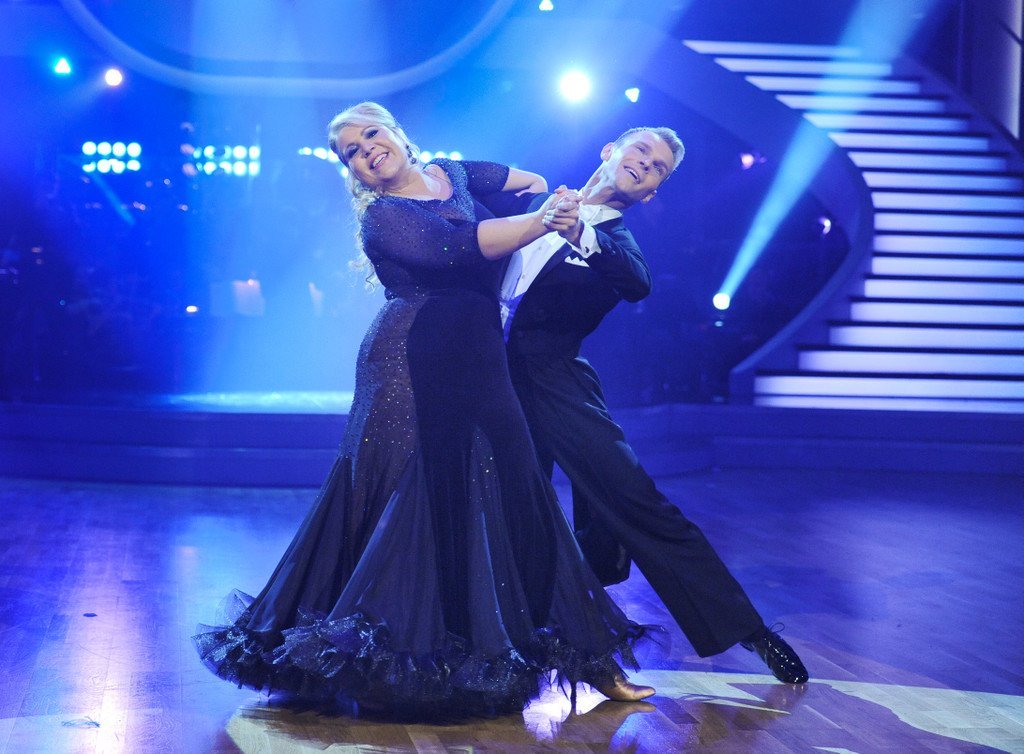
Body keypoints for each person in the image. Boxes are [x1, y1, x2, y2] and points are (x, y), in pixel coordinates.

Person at [194, 103, 656, 717]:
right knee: (408, 496)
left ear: (397, 134)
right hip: (407, 365)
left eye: (371, 134)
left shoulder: (453, 174)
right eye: (351, 152)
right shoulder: (384, 217)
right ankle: (393, 658)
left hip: (480, 357)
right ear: (353, 172)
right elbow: (465, 247)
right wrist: (543, 220)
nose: (366, 150)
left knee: (522, 489)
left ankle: (590, 657)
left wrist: (552, 202)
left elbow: (531, 180)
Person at [485, 127, 809, 684]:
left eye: (657, 167)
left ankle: (748, 630)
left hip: (556, 384)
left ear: (652, 192)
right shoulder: (533, 203)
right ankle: (506, 640)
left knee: (637, 500)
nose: (645, 165)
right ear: (609, 150)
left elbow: (636, 282)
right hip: (488, 380)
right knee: (504, 509)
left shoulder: (615, 242)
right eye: (640, 151)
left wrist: (579, 229)